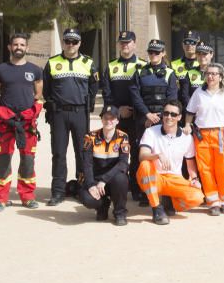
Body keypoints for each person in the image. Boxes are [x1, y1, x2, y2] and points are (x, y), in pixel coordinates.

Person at [43, 27, 98, 206]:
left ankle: (81, 189)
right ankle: (58, 191)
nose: (71, 45)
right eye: (67, 41)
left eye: (74, 41)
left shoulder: (88, 63)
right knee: (58, 153)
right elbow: (47, 90)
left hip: (80, 113)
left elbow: (93, 86)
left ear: (79, 43)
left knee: (82, 153)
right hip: (59, 113)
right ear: (64, 42)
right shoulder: (52, 63)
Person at [0, 33, 43, 212]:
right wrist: (8, 114)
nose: (18, 47)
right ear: (9, 47)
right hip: (6, 124)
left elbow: (37, 94)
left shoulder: (35, 70)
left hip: (27, 125)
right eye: (15, 44)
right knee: (4, 160)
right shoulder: (0, 70)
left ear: (27, 48)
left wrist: (24, 112)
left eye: (22, 44)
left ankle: (27, 197)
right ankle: (0, 199)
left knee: (28, 161)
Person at [185, 63, 224, 215]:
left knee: (223, 170)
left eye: (214, 74)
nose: (210, 76)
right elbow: (190, 112)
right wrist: (187, 125)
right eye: (208, 73)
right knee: (205, 169)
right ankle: (213, 202)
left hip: (222, 133)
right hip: (202, 135)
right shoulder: (198, 93)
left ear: (221, 76)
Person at [136, 100, 204, 225]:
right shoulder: (151, 131)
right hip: (155, 177)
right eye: (166, 113)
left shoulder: (186, 137)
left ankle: (171, 202)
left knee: (197, 197)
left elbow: (190, 163)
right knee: (145, 164)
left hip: (174, 178)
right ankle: (157, 208)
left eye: (173, 114)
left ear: (179, 117)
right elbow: (142, 156)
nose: (169, 117)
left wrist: (194, 178)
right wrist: (157, 155)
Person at [101, 30, 143, 197]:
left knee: (136, 152)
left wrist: (132, 109)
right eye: (122, 42)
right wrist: (119, 111)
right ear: (119, 44)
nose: (125, 45)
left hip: (136, 117)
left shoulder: (142, 65)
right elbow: (107, 93)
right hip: (117, 118)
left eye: (128, 42)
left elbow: (143, 92)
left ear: (134, 43)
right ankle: (118, 187)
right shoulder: (111, 66)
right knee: (116, 152)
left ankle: (136, 188)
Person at [78, 105, 130, 226]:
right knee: (86, 198)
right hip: (95, 180)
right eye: (106, 118)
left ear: (117, 120)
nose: (108, 121)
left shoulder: (123, 137)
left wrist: (104, 180)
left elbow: (123, 164)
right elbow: (87, 164)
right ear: (101, 119)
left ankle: (120, 212)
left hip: (112, 179)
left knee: (122, 179)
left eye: (112, 118)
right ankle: (102, 206)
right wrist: (91, 185)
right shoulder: (90, 137)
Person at [130, 38, 178, 160]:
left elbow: (172, 98)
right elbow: (135, 96)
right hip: (143, 118)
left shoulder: (170, 73)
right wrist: (147, 115)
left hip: (164, 119)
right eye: (151, 52)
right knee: (140, 153)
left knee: (162, 152)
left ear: (163, 53)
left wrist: (158, 117)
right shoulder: (139, 71)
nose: (153, 55)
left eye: (157, 52)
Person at [180, 42, 215, 109]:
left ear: (211, 54)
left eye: (205, 54)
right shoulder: (190, 73)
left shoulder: (218, 73)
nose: (201, 57)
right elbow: (185, 95)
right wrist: (193, 109)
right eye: (199, 54)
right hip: (194, 113)